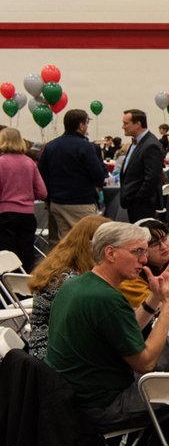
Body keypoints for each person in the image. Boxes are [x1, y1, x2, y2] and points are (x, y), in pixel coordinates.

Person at [45, 222, 169, 428]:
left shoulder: (76, 284)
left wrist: (155, 297)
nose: (144, 259)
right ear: (110, 253)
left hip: (66, 398)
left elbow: (126, 332)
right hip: (99, 405)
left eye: (145, 252)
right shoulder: (106, 299)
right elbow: (145, 363)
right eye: (137, 251)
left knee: (166, 371)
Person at [27, 215, 109, 360]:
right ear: (93, 245)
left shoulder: (61, 267)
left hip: (50, 351)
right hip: (52, 359)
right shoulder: (66, 280)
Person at [37, 108, 107, 246]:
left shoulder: (50, 146)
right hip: (81, 202)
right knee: (85, 242)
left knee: (62, 244)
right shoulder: (85, 146)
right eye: (86, 123)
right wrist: (98, 187)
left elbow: (42, 173)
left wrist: (48, 198)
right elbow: (98, 174)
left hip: (56, 203)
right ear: (81, 125)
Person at [0, 127, 47, 270]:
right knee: (27, 254)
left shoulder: (1, 162)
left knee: (7, 255)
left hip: (5, 214)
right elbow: (42, 192)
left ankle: (8, 282)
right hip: (27, 215)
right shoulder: (29, 162)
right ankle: (27, 281)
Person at [118, 108, 165, 223]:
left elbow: (152, 179)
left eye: (125, 123)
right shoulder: (138, 142)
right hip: (135, 203)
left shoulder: (151, 145)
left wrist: (138, 199)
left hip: (143, 205)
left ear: (138, 124)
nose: (123, 127)